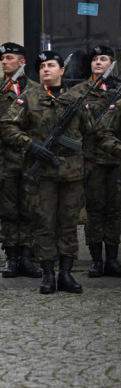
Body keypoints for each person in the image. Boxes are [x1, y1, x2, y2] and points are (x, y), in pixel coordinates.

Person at [1, 50, 91, 294]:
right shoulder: (28, 99)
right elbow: (7, 127)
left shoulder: (75, 99)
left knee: (69, 225)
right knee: (44, 224)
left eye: (51, 65)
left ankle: (66, 274)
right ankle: (48, 275)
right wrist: (31, 146)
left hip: (71, 174)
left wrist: (87, 165)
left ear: (62, 70)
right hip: (43, 176)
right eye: (41, 67)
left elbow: (90, 132)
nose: (46, 70)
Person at [0, 42, 41, 279]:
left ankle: (27, 257)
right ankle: (12, 258)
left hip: (31, 160)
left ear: (22, 62)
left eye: (9, 58)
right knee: (8, 212)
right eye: (3, 58)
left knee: (30, 210)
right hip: (5, 161)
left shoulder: (38, 91)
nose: (4, 62)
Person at [83, 46, 121, 277]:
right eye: (95, 59)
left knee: (115, 210)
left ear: (112, 63)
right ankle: (96, 259)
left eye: (103, 59)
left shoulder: (118, 90)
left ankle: (113, 259)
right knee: (95, 210)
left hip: (116, 160)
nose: (98, 62)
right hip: (92, 160)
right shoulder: (83, 91)